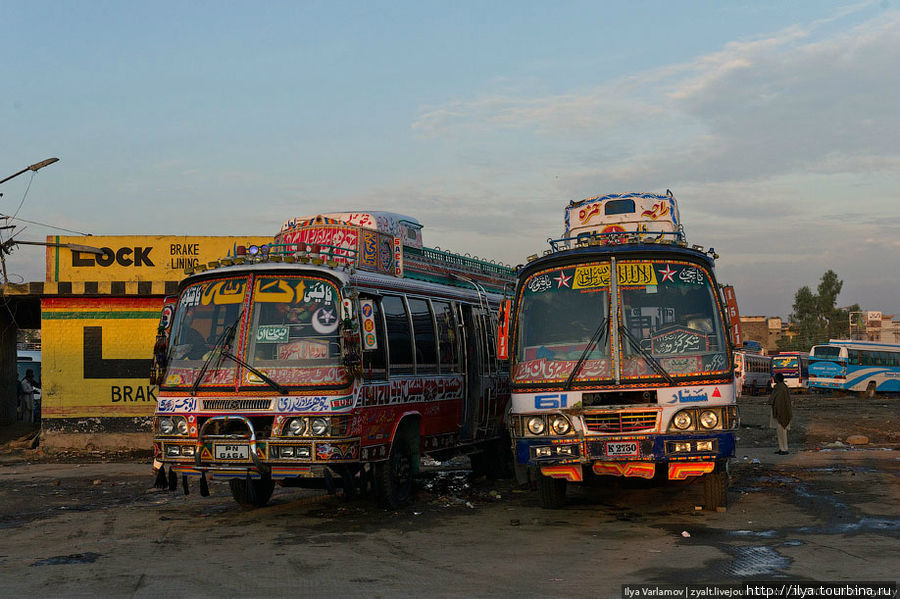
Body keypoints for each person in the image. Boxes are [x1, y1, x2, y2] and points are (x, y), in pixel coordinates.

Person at [769, 372, 792, 455]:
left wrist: (779, 413)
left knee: (782, 431)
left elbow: (780, 402)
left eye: (775, 377)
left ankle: (784, 449)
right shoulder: (780, 387)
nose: (774, 379)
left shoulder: (780, 388)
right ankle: (781, 448)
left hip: (781, 413)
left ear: (778, 379)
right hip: (780, 412)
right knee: (780, 432)